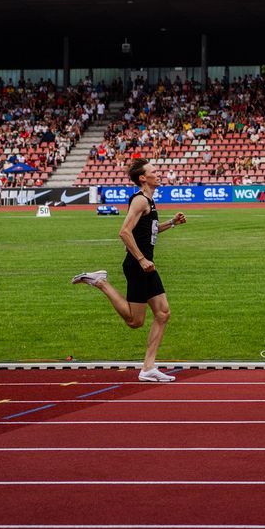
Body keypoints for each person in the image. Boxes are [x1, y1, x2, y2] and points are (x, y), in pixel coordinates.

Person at [71, 157, 185, 383]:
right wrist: (141, 259)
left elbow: (148, 231)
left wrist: (172, 223)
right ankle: (101, 282)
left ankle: (148, 367)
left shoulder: (149, 201)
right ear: (143, 178)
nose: (158, 174)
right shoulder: (140, 200)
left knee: (163, 313)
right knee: (135, 321)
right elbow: (124, 232)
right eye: (154, 171)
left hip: (146, 265)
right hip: (138, 265)